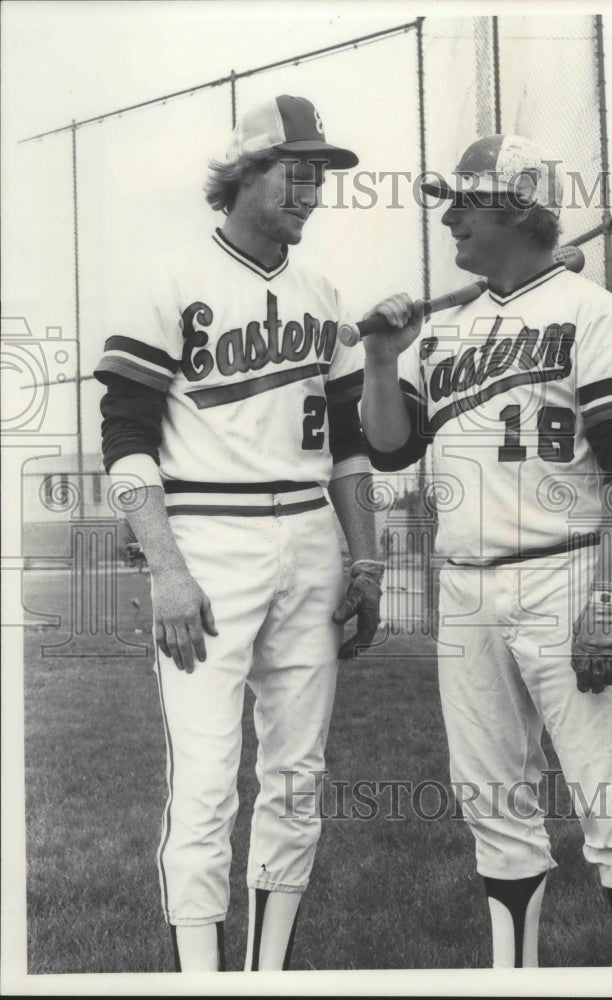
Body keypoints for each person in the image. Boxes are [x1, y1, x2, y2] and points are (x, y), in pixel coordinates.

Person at [360, 135, 612, 968]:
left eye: (467, 201)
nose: (449, 215)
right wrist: (382, 360)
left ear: (519, 209)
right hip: (464, 587)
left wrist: (611, 596)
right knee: (493, 811)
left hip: (569, 570)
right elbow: (391, 450)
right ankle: (514, 979)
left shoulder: (597, 314)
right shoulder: (448, 329)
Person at [94, 95, 383, 972]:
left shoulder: (322, 293)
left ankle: (267, 976)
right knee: (210, 782)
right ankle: (201, 982)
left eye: (321, 174)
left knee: (297, 780)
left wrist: (366, 559)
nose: (312, 188)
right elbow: (126, 434)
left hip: (309, 539)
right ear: (242, 174)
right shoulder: (170, 278)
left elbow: (349, 448)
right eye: (296, 169)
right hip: (208, 538)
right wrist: (166, 570)